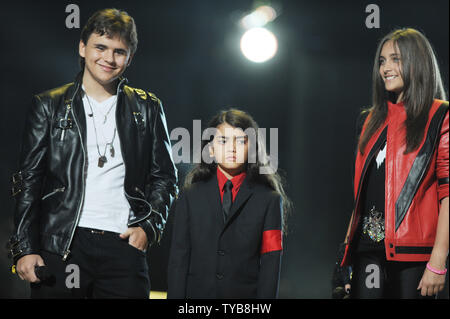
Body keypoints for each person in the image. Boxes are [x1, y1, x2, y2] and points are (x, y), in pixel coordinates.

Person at [7, 8, 178, 298]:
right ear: (83, 47)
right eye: (101, 47)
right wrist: (24, 248)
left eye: (119, 51)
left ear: (130, 57)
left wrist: (148, 228)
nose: (109, 59)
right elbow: (28, 179)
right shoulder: (49, 105)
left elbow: (165, 178)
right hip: (61, 244)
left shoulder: (148, 108)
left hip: (124, 246)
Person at [335, 28, 448, 299]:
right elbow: (360, 200)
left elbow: (447, 195)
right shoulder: (369, 120)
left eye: (395, 59)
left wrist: (438, 262)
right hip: (367, 252)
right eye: (382, 61)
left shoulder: (440, 115)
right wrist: (345, 259)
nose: (385, 67)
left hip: (415, 256)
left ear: (416, 61)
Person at [167, 109, 291, 298]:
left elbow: (271, 262)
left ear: (252, 148)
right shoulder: (190, 196)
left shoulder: (270, 200)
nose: (232, 148)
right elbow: (178, 258)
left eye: (241, 141)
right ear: (210, 149)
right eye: (223, 141)